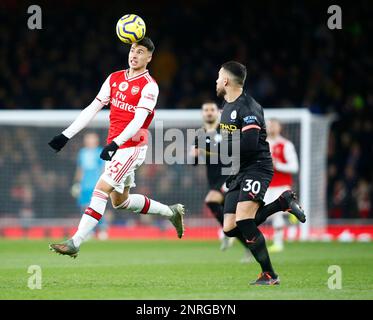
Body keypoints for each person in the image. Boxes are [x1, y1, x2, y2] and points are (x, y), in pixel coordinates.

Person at [48, 37, 185, 258]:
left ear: (149, 58)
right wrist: (66, 135)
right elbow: (92, 108)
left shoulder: (149, 86)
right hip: (116, 146)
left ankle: (76, 241)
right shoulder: (114, 78)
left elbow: (138, 121)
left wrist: (115, 144)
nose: (134, 55)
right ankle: (170, 212)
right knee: (120, 202)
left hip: (132, 147)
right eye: (132, 50)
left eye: (140, 52)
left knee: (101, 188)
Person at [216, 61, 306, 285]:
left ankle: (269, 274)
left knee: (245, 221)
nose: (216, 81)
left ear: (226, 80)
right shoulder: (227, 107)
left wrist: (218, 149)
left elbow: (249, 144)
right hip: (239, 170)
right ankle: (281, 203)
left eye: (219, 76)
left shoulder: (248, 107)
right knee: (229, 228)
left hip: (257, 166)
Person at [190, 102, 253, 262]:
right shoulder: (199, 135)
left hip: (231, 176)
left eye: (212, 110)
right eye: (206, 110)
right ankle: (247, 245)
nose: (209, 113)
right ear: (202, 114)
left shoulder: (226, 130)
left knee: (211, 200)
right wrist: (194, 154)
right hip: (214, 180)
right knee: (232, 221)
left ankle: (228, 233)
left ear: (217, 113)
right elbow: (193, 163)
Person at [265, 119, 300, 253]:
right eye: (269, 125)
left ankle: (278, 243)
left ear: (280, 127)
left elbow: (294, 167)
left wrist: (277, 165)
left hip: (282, 185)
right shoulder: (263, 144)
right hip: (266, 185)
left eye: (274, 125)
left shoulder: (286, 145)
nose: (271, 127)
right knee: (267, 213)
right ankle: (291, 211)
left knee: (274, 213)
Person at [72, 132, 108, 240]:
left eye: (92, 139)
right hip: (84, 186)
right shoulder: (82, 153)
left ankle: (102, 230)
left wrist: (104, 184)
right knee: (85, 208)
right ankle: (89, 231)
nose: (89, 141)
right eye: (88, 139)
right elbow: (80, 169)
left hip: (96, 185)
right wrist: (77, 183)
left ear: (96, 140)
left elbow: (103, 169)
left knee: (97, 207)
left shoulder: (100, 151)